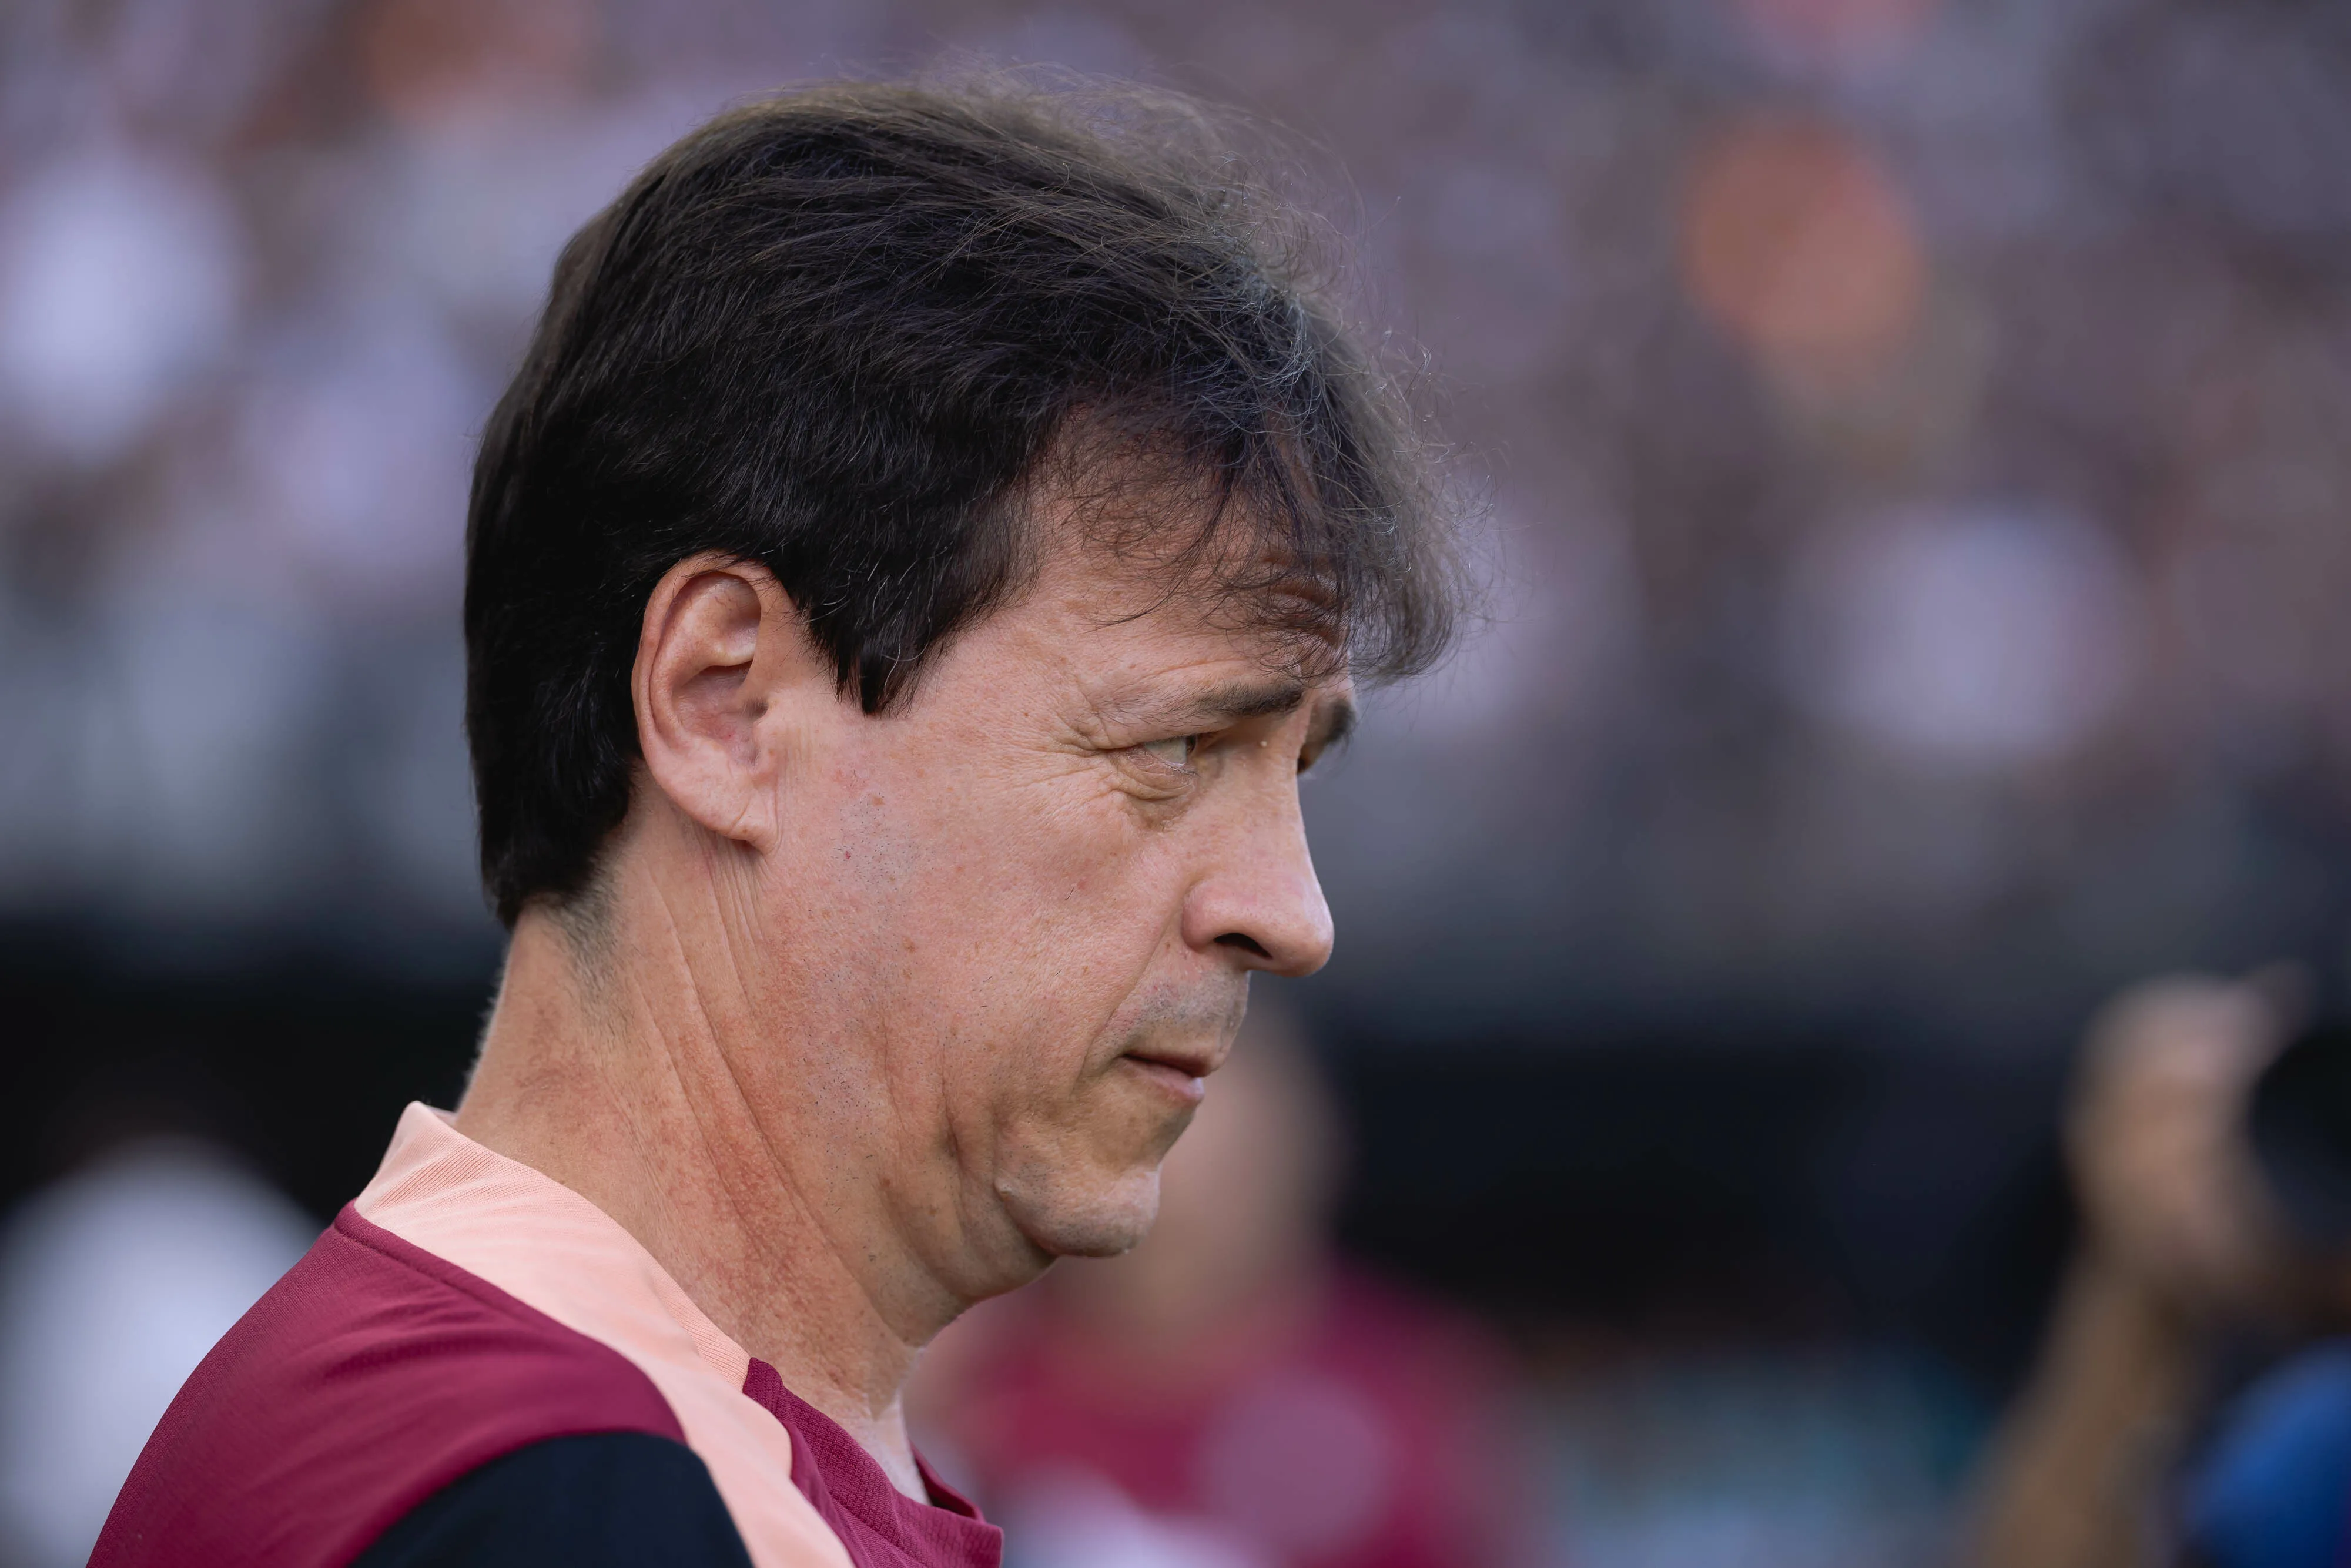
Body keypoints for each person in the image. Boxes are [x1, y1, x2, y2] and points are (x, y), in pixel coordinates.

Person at [91, 75, 1461, 1568]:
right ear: (722, 704)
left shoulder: (553, 1428)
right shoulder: (568, 1499)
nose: (1291, 912)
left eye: (1296, 771)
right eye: (1179, 747)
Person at [912, 1003, 1530, 1568]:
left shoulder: (1413, 1382)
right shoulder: (971, 1378)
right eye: (1147, 1188)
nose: (1176, 1226)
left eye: (1223, 1180)